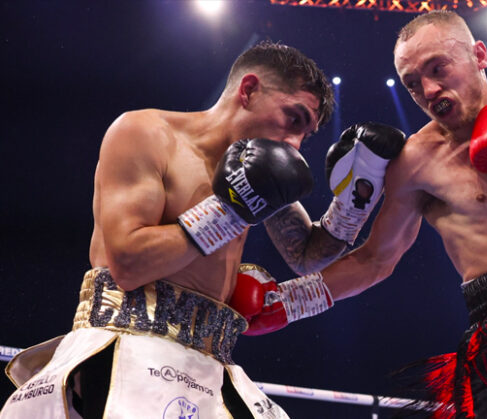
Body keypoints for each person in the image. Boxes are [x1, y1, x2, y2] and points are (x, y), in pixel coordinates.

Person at [230, 11, 487, 418]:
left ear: (479, 55)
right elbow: (375, 260)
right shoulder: (415, 162)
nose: (428, 89)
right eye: (411, 84)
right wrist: (288, 301)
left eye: (438, 69)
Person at [0, 40, 406, 419]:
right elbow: (128, 263)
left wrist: (356, 198)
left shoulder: (258, 172)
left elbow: (308, 256)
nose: (295, 143)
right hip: (126, 350)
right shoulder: (146, 134)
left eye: (306, 133)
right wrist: (230, 210)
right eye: (292, 118)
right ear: (248, 90)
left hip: (208, 364)